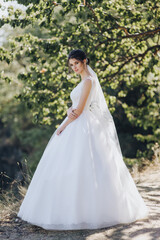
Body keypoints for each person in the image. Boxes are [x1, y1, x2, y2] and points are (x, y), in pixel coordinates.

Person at [17, 49, 149, 230]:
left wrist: (62, 126)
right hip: (78, 121)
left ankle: (91, 212)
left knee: (85, 166)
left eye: (76, 63)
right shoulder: (83, 80)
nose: (74, 68)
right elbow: (76, 107)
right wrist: (67, 112)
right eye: (71, 65)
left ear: (85, 61)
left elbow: (79, 111)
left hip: (83, 125)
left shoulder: (88, 81)